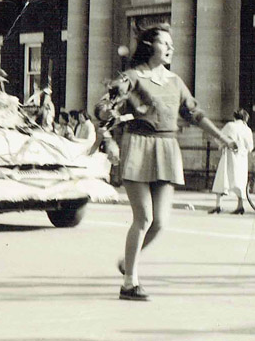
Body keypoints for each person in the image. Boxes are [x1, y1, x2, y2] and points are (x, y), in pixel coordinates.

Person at [94, 25, 238, 301]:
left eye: (172, 44)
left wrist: (222, 138)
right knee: (144, 217)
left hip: (167, 148)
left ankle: (128, 261)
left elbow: (195, 113)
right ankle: (129, 282)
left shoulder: (175, 81)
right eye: (165, 43)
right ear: (150, 46)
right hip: (138, 145)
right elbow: (103, 106)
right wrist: (107, 114)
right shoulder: (133, 77)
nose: (171, 49)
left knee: (159, 222)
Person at [210, 109, 255, 214]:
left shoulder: (230, 126)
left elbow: (219, 138)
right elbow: (250, 147)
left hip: (229, 156)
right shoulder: (247, 129)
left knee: (223, 178)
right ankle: (240, 205)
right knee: (240, 180)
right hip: (242, 158)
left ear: (235, 117)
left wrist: (223, 145)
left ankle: (218, 204)